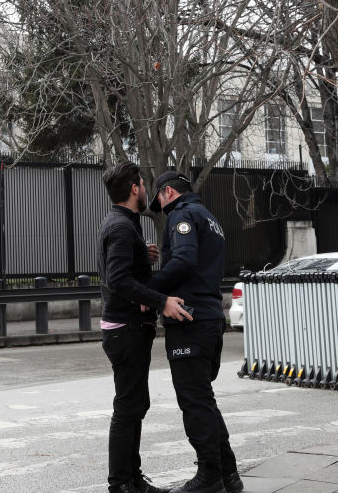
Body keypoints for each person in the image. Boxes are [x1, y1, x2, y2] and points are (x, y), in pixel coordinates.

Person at [97, 161, 192, 493]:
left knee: (136, 403)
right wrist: (160, 300)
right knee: (128, 406)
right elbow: (117, 279)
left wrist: (142, 255)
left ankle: (131, 478)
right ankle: (121, 482)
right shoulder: (122, 227)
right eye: (142, 182)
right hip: (125, 327)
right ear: (135, 189)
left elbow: (124, 269)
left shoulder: (125, 224)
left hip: (126, 326)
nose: (145, 187)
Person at [150, 171, 239, 493]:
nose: (161, 209)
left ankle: (209, 477)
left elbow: (185, 259)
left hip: (190, 318)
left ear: (168, 192)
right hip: (210, 316)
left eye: (159, 201)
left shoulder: (183, 214)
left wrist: (151, 291)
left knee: (194, 402)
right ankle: (227, 474)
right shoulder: (209, 217)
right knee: (204, 399)